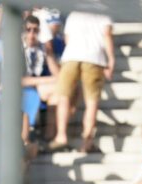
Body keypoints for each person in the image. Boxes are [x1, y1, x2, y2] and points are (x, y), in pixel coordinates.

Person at [49, 9, 114, 153]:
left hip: (71, 56)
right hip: (94, 58)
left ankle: (61, 135)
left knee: (64, 96)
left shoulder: (74, 13)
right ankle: (86, 142)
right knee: (91, 102)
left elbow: (67, 38)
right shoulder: (104, 13)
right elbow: (107, 35)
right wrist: (111, 59)